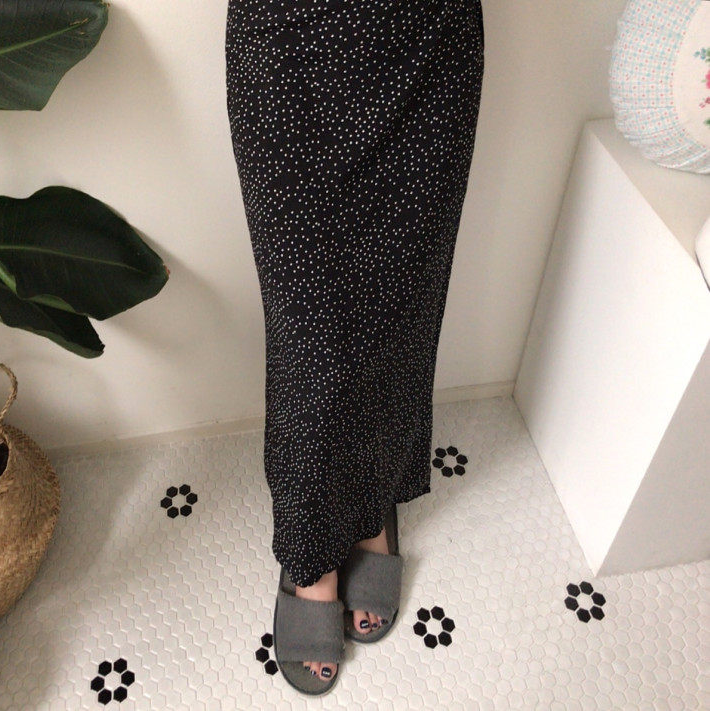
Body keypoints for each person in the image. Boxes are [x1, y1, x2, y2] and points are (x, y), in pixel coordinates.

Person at [225, 0, 484, 694]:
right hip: (290, 39)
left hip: (426, 36)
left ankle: (371, 505)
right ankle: (310, 546)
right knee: (308, 329)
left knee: (402, 304)